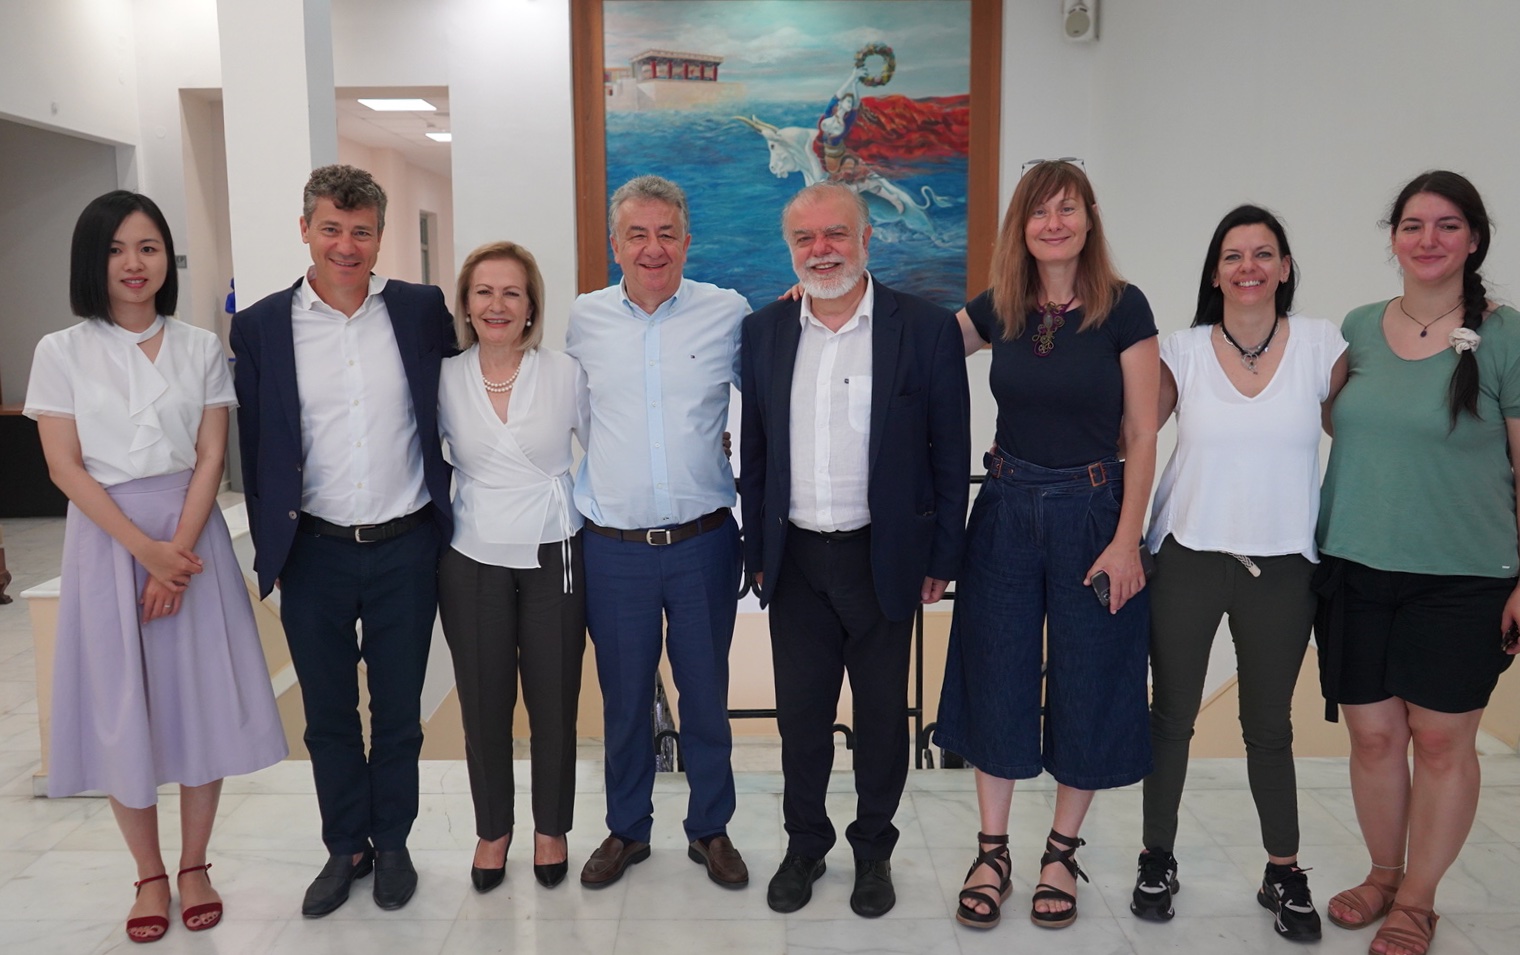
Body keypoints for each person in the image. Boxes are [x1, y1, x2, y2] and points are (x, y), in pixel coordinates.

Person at [25, 191, 287, 943]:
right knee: (121, 706)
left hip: (191, 538)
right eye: (115, 250)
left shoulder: (200, 346)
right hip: (107, 543)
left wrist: (177, 553)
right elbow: (64, 467)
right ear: (92, 260)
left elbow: (211, 454)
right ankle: (148, 872)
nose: (133, 264)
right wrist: (145, 553)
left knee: (197, 702)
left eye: (147, 248)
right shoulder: (61, 351)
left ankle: (195, 863)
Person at [934, 159, 1159, 930]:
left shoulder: (1124, 308)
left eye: (1067, 209)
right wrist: (829, 303)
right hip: (1004, 506)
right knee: (994, 669)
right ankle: (992, 851)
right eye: (1039, 211)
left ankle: (1061, 851)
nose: (1053, 223)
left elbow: (1142, 431)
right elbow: (917, 344)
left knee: (1089, 676)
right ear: (1021, 227)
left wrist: (1127, 541)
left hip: (1094, 512)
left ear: (1089, 220)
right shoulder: (1000, 305)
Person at [739, 183, 969, 917]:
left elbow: (950, 450)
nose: (822, 250)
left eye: (835, 234)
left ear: (868, 238)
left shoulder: (924, 329)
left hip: (884, 559)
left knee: (881, 721)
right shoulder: (764, 331)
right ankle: (805, 845)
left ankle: (874, 852)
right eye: (804, 239)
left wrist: (944, 557)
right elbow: (756, 451)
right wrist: (756, 551)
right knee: (801, 721)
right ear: (790, 249)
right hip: (797, 561)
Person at [230, 164, 454, 917]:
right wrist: (273, 544)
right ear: (305, 230)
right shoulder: (261, 326)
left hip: (406, 546)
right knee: (327, 714)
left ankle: (393, 842)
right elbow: (257, 446)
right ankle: (345, 845)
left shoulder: (421, 310)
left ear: (380, 236)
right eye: (331, 228)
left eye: (361, 231)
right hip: (315, 551)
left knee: (397, 713)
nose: (346, 245)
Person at [1316, 170, 1520, 955]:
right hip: (1355, 563)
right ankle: (1382, 873)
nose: (1427, 239)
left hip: (1464, 576)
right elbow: (1326, 417)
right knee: (1372, 736)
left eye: (1446, 225)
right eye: (1412, 225)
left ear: (1474, 240)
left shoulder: (1505, 336)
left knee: (1439, 740)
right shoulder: (1359, 328)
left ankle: (1418, 898)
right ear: (1394, 239)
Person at [1133, 205, 1346, 939]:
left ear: (1284, 267)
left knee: (1267, 726)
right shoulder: (1183, 350)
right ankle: (1156, 857)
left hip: (1283, 566)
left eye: (1263, 253)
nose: (1248, 267)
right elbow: (1133, 436)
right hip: (1187, 554)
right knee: (1171, 717)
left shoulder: (1322, 344)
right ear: (1216, 272)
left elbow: (1369, 430)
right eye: (1233, 256)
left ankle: (1283, 870)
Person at [566, 174, 750, 890]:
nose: (653, 248)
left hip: (704, 543)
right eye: (637, 234)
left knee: (705, 696)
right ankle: (626, 829)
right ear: (615, 244)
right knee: (623, 701)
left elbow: (776, 394)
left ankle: (711, 828)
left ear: (687, 241)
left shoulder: (727, 312)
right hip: (613, 550)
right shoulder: (583, 320)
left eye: (666, 234)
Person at [436, 241, 588, 893]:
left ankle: (551, 827)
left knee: (554, 700)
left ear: (531, 307)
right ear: (466, 304)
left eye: (511, 293)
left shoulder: (566, 373)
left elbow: (606, 448)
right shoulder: (443, 377)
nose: (496, 305)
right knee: (484, 701)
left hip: (556, 550)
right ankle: (493, 828)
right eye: (484, 292)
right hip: (471, 554)